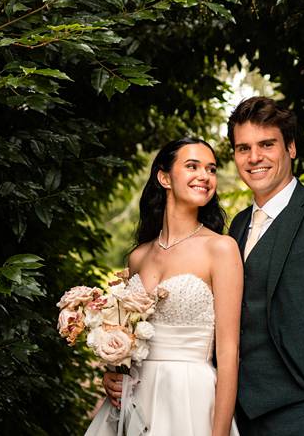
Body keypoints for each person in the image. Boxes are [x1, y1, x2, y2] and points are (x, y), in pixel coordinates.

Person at [108, 98, 304, 435]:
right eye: (243, 148)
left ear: (291, 148)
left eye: (266, 145)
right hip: (239, 417)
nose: (254, 157)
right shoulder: (237, 227)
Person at [86, 138, 243, 436]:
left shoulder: (221, 249)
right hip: (134, 397)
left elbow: (228, 351)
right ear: (164, 177)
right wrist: (112, 373)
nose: (205, 176)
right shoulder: (138, 256)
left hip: (189, 397)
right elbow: (128, 336)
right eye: (192, 166)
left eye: (211, 169)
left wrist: (220, 432)